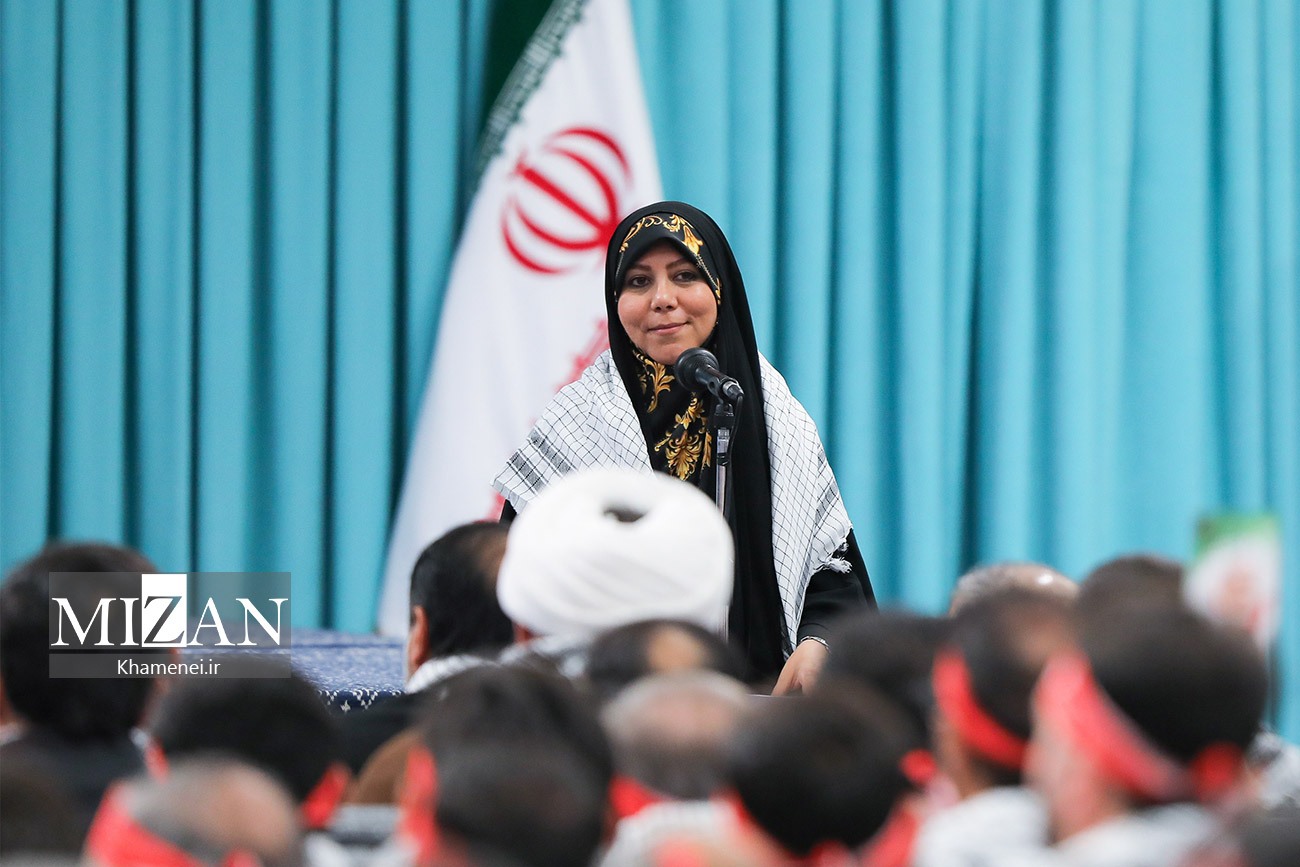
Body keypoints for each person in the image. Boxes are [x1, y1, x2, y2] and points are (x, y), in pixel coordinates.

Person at [494, 201, 874, 689]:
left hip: (764, 706)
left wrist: (819, 642)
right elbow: (518, 581)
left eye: (685, 276)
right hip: (608, 702)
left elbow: (833, 574)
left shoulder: (774, 412)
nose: (662, 299)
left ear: (720, 288)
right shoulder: (577, 423)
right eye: (638, 282)